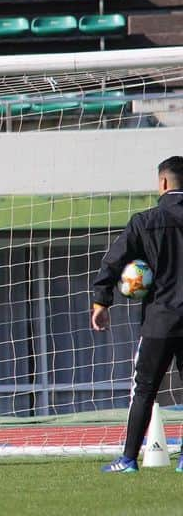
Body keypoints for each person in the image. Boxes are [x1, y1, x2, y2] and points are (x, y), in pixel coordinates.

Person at [93, 156, 183, 473]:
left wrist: (102, 301)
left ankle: (129, 458)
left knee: (144, 389)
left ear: (163, 183)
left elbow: (113, 261)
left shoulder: (145, 221)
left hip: (159, 321)